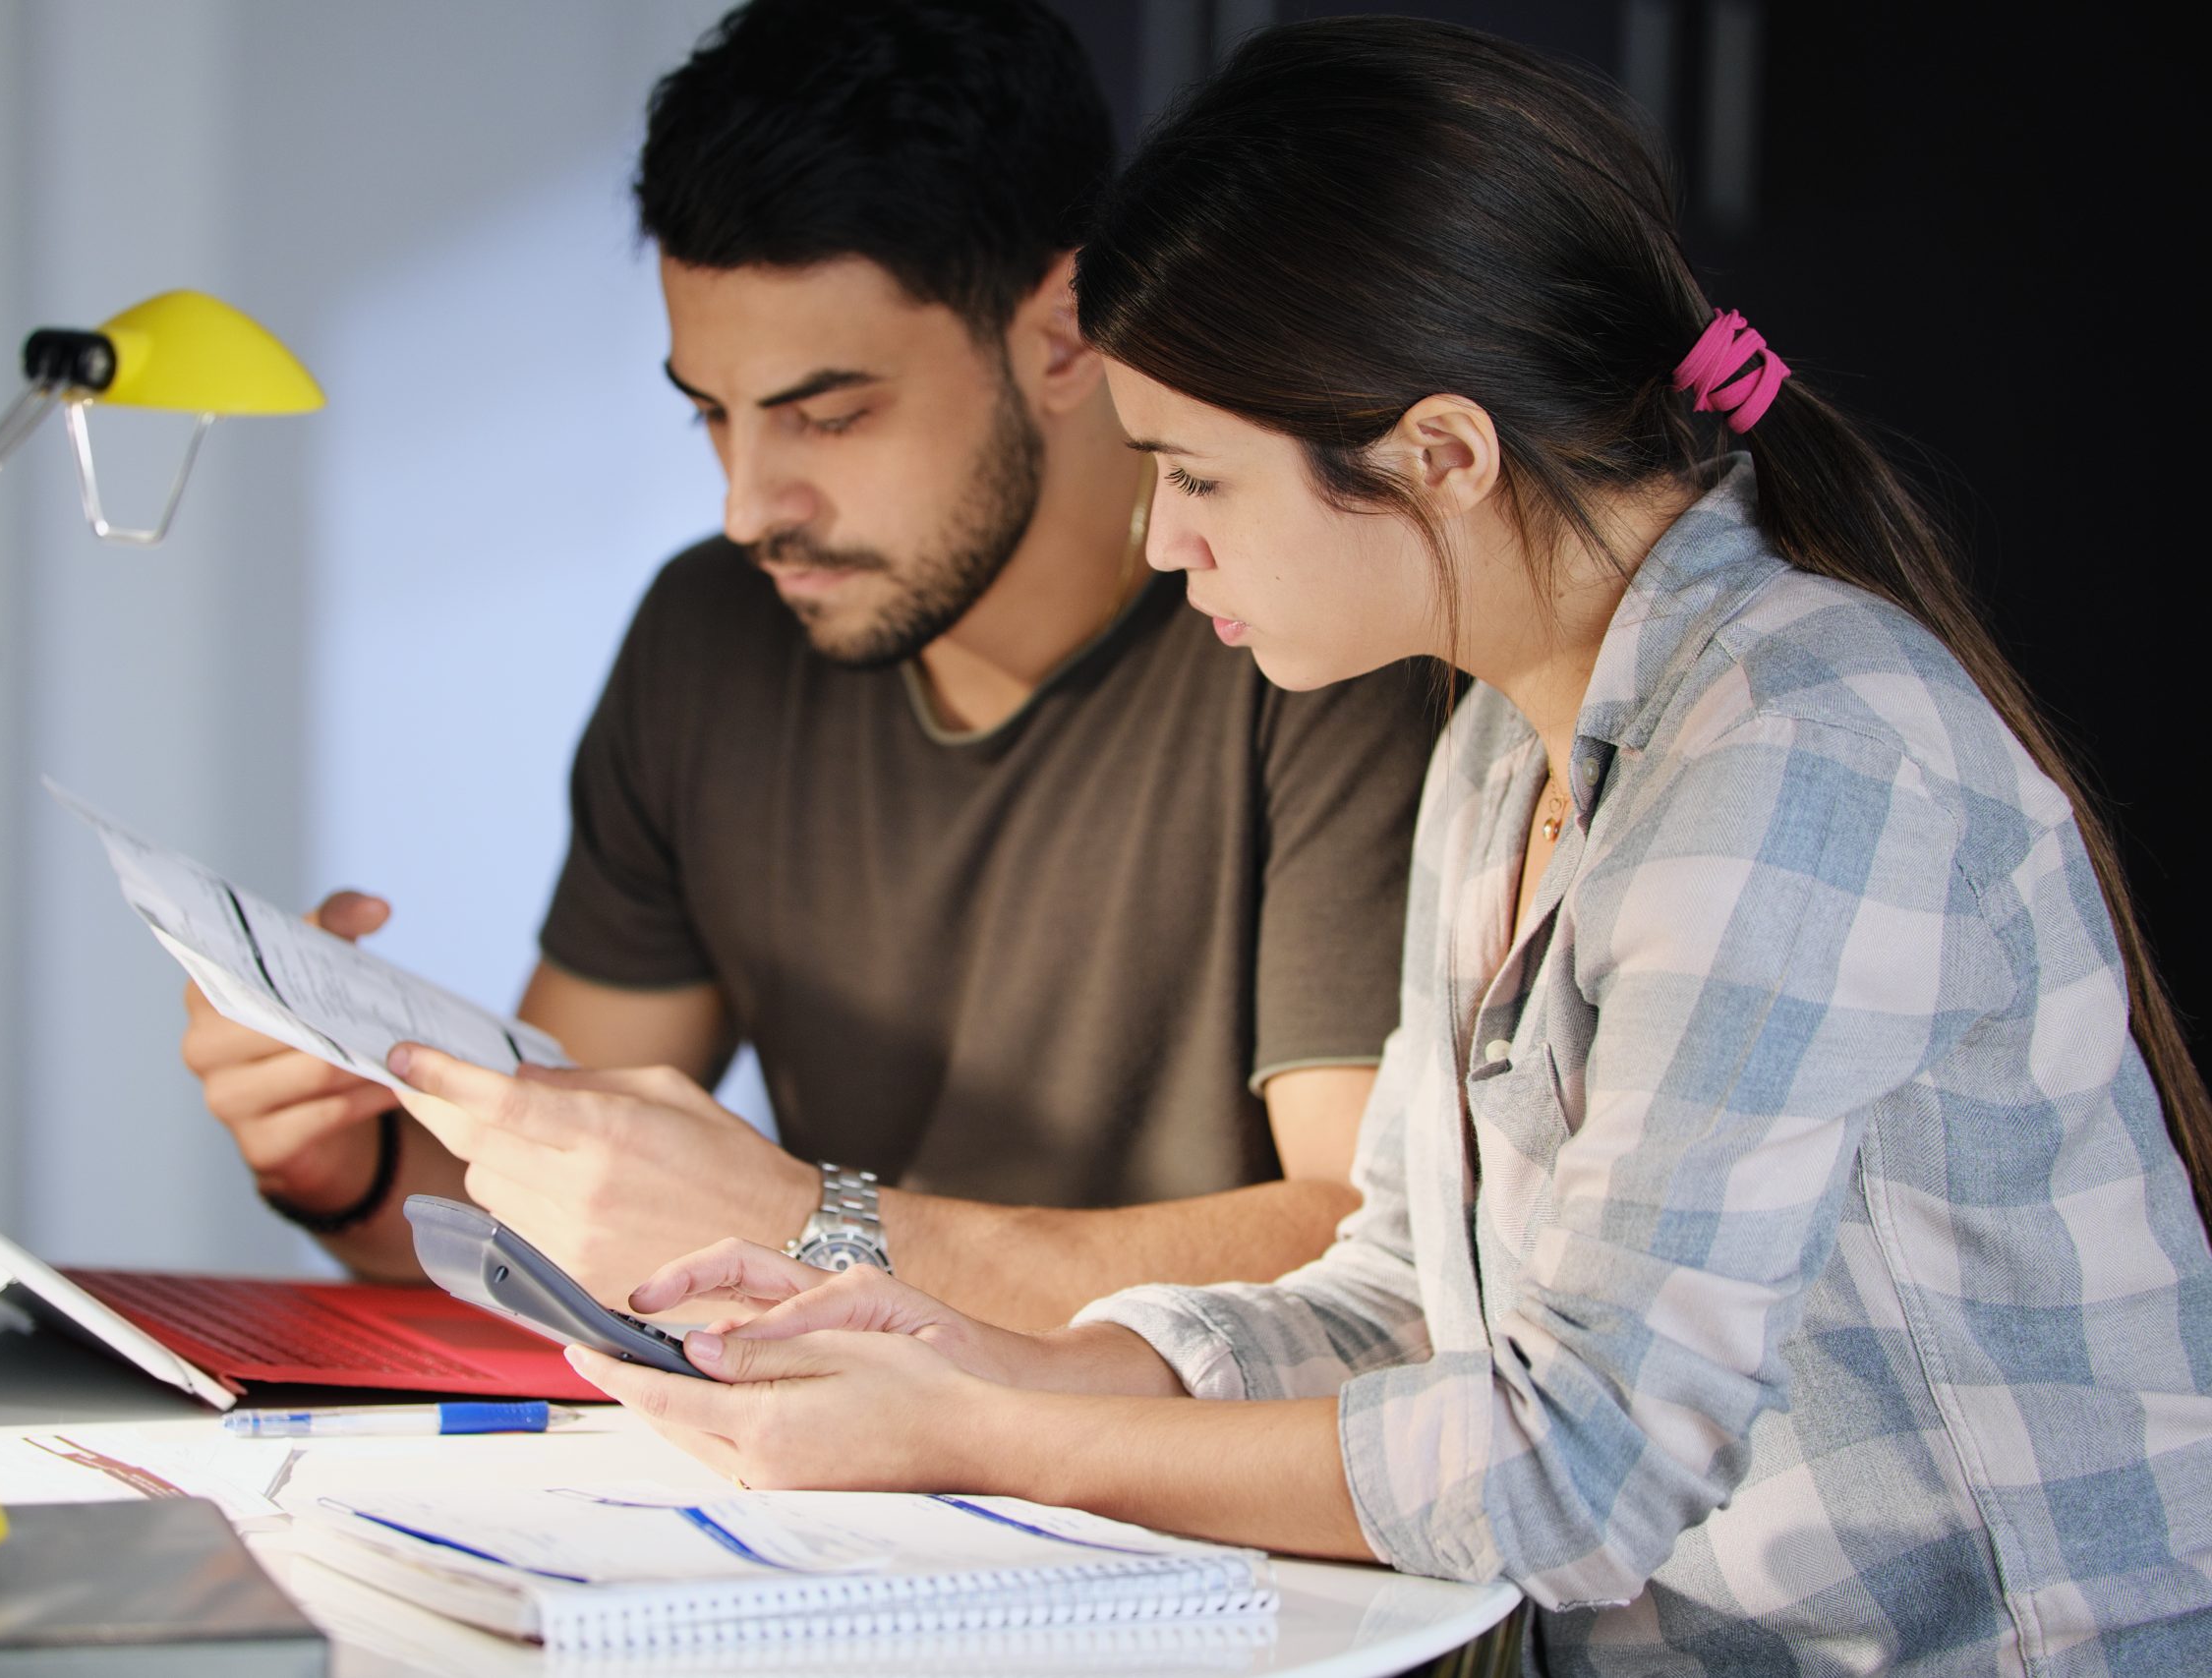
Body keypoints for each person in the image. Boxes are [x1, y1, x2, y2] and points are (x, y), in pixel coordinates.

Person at [544, 17, 2212, 1669]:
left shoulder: (1801, 749)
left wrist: (982, 1440)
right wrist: (991, 1365)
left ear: (1440, 458)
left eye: (1196, 475)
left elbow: (1577, 1466)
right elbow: (1412, 1302)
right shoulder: (1506, 741)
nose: (1160, 537)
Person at [184, 0, 1436, 1328]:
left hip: (1185, 1496)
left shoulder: (1312, 636)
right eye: (711, 415)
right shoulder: (711, 638)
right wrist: (341, 1156)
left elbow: (1363, 1248)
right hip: (837, 1491)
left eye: (829, 416)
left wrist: (805, 1228)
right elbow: (550, 1204)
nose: (749, 503)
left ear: (1066, 335)